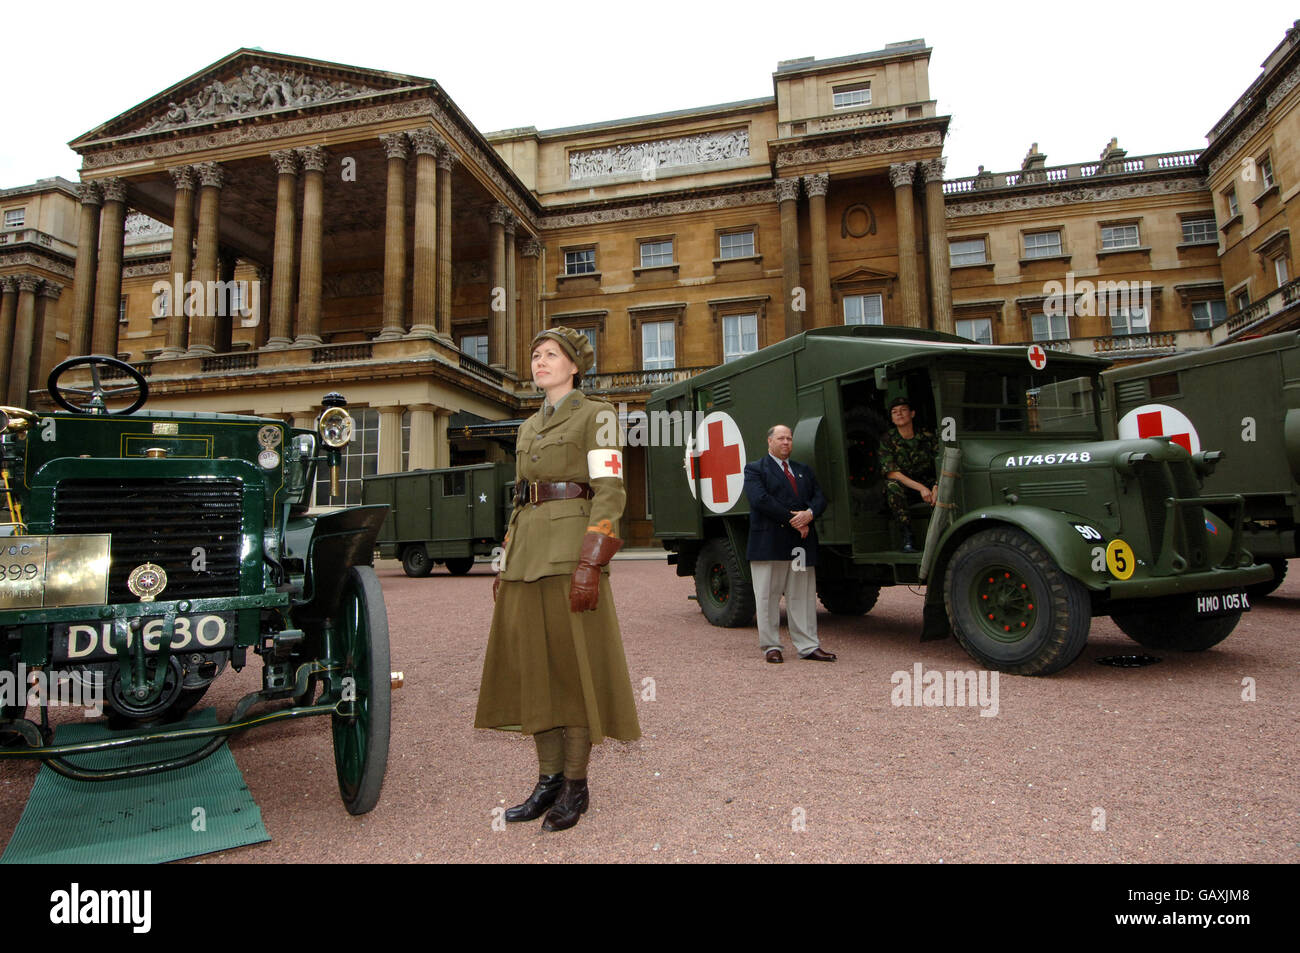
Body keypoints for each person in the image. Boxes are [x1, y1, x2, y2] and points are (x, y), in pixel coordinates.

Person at [474, 327, 641, 832]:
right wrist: (506, 559)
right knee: (534, 668)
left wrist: (592, 562)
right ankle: (546, 780)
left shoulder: (597, 415)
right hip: (526, 554)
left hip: (571, 553)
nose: (539, 361)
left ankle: (576, 783)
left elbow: (610, 490)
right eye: (534, 354)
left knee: (574, 667)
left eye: (550, 355)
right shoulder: (527, 427)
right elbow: (521, 498)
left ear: (573, 366)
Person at [742, 424, 836, 664]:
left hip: (800, 545)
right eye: (781, 438)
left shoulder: (803, 470)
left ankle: (808, 646)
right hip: (769, 543)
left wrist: (810, 514)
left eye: (789, 439)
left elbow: (820, 497)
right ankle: (771, 647)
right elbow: (760, 500)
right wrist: (795, 520)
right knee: (767, 597)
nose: (786, 442)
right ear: (769, 441)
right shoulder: (755, 469)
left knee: (802, 596)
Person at [879, 396, 940, 553]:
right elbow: (892, 473)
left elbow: (941, 463)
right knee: (891, 486)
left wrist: (936, 486)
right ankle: (907, 536)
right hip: (907, 488)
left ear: (912, 414)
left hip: (929, 484)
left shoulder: (927, 437)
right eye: (894, 412)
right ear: (892, 418)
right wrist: (921, 488)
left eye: (903, 410)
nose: (899, 414)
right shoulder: (888, 440)